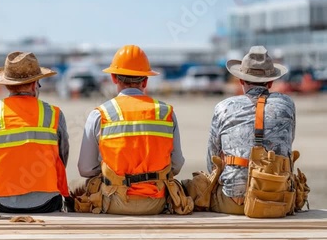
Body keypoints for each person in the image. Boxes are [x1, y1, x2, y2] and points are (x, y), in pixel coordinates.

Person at [73, 45, 187, 215]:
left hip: (112, 203)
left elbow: (86, 169)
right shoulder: (165, 113)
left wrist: (113, 174)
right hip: (157, 202)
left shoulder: (100, 114)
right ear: (146, 81)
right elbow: (176, 164)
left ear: (113, 78)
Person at [206, 45, 295, 215]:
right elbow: (288, 146)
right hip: (277, 200)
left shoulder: (223, 107)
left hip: (233, 201)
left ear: (240, 80)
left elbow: (212, 160)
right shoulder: (287, 104)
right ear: (271, 82)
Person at [0, 51, 70, 213]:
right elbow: (62, 158)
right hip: (46, 201)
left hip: (0, 202)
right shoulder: (53, 114)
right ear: (35, 84)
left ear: (7, 85)